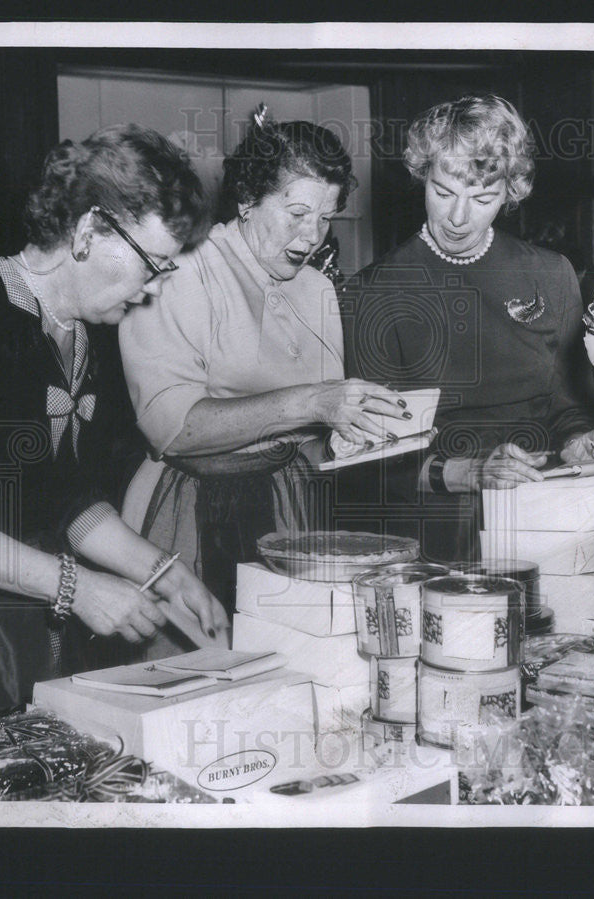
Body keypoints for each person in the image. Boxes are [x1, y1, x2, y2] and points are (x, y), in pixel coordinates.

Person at [0, 124, 229, 723]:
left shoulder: (81, 337)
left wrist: (166, 575)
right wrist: (78, 589)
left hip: (18, 612)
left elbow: (61, 495)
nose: (151, 291)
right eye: (152, 265)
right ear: (89, 230)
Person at [119, 112, 407, 617]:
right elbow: (174, 430)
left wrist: (360, 434)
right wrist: (312, 402)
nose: (313, 235)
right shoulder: (184, 269)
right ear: (248, 198)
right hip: (187, 509)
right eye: (296, 213)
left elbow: (313, 442)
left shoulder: (317, 288)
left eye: (326, 218)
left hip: (287, 508)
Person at [341, 95, 594, 563]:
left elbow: (570, 407)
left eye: (483, 198)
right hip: (438, 529)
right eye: (443, 191)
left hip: (547, 511)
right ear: (421, 176)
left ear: (511, 192)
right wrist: (470, 473)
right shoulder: (372, 292)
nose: (457, 217)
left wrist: (578, 442)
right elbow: (374, 466)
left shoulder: (551, 275)